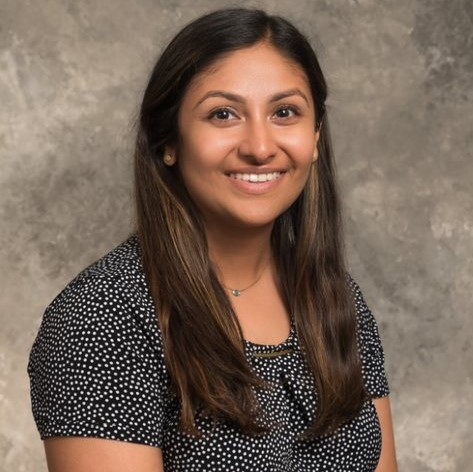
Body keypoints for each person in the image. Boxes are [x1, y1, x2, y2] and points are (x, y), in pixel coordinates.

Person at [28, 8, 397, 472]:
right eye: (223, 114)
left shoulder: (339, 300)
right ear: (169, 141)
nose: (260, 147)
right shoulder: (103, 319)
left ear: (315, 137)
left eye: (285, 112)